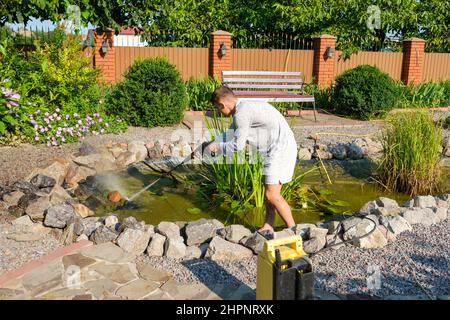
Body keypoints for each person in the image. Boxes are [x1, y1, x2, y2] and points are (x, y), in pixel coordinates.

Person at [207, 86, 298, 237]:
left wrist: (217, 147)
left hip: (280, 149)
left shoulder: (242, 113)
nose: (219, 112)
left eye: (218, 109)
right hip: (279, 147)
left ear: (222, 105)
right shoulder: (244, 106)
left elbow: (238, 146)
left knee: (271, 195)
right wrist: (209, 144)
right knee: (270, 191)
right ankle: (268, 225)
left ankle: (295, 232)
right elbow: (230, 133)